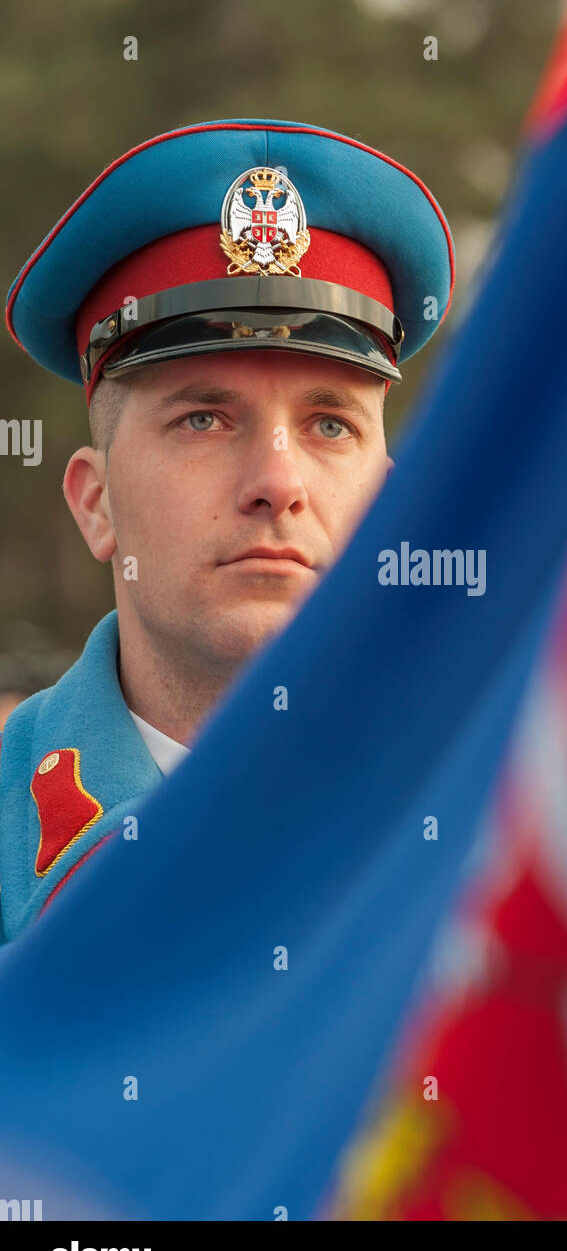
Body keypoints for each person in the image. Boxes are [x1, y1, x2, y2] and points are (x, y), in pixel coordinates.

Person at [0, 118, 453, 944]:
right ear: (96, 504)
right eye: (204, 419)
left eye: (329, 425)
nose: (277, 482)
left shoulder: (517, 827)